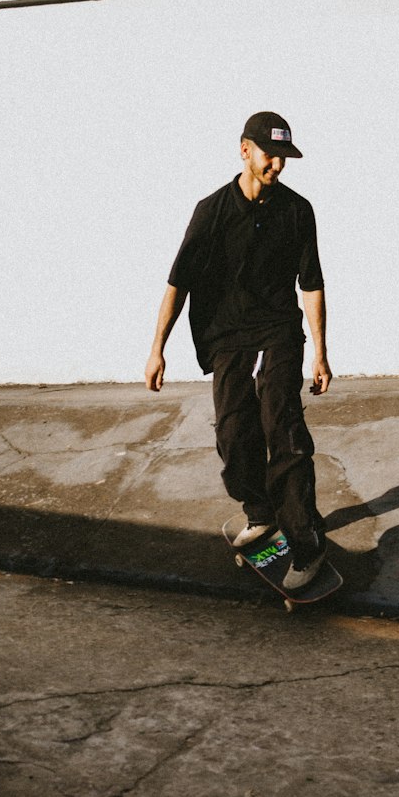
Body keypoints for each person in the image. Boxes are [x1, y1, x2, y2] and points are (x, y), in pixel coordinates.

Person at [145, 110, 331, 590]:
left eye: (285, 158)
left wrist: (321, 352)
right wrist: (157, 349)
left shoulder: (297, 210)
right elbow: (177, 283)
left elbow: (310, 283)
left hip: (278, 331)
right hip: (227, 336)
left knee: (281, 423)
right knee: (233, 430)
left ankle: (306, 542)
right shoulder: (212, 211)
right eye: (270, 155)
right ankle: (260, 509)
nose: (278, 166)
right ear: (244, 149)